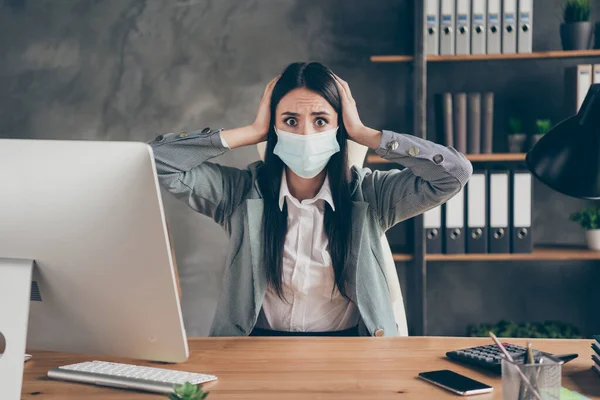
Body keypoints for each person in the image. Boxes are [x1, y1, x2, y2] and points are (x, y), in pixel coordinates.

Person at [149, 61, 472, 337]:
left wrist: (363, 133)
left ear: (338, 127)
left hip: (348, 347)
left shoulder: (373, 195)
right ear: (274, 127)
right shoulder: (237, 192)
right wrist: (251, 131)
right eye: (290, 120)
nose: (305, 133)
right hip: (254, 345)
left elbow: (454, 172)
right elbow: (157, 160)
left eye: (321, 120)